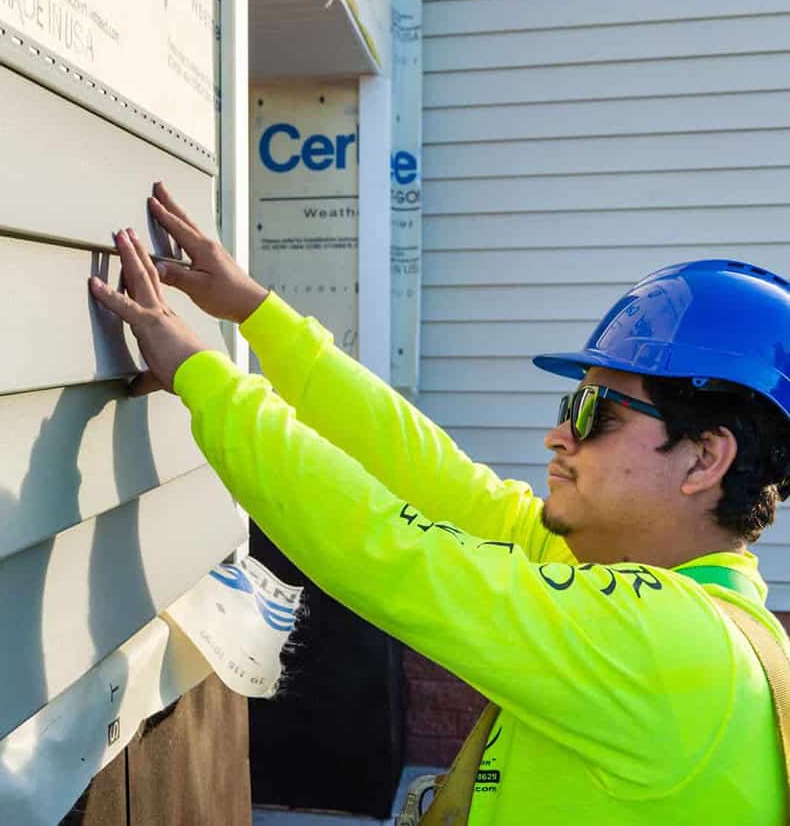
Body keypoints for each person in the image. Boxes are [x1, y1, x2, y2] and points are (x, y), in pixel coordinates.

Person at [89, 183, 790, 824]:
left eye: (591, 411)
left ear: (705, 457)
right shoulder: (662, 612)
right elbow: (432, 475)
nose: (557, 435)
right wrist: (257, 315)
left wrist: (199, 376)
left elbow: (393, 551)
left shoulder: (674, 650)